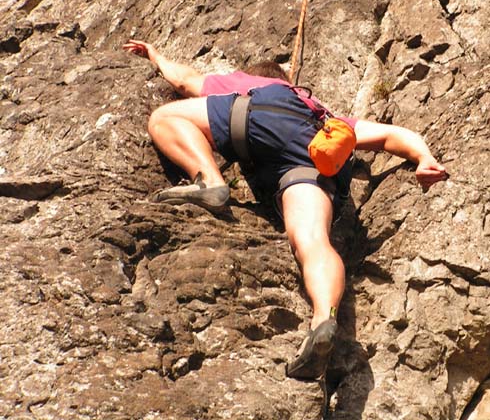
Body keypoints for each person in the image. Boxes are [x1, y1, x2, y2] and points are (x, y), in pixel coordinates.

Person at [123, 39, 448, 379]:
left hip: (254, 114)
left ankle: (209, 179)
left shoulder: (245, 83)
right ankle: (323, 318)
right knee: (312, 241)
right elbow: (390, 135)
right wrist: (425, 159)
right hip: (310, 153)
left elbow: (183, 81)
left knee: (164, 117)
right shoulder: (322, 113)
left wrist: (156, 56)